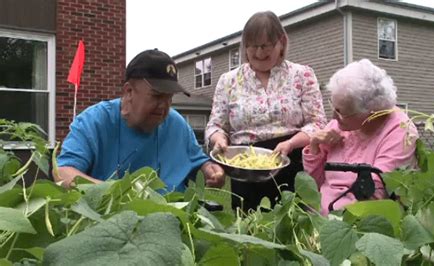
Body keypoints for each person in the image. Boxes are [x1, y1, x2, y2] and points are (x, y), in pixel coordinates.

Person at [205, 11, 327, 211]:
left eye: (265, 46)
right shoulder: (229, 80)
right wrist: (219, 140)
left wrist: (290, 143)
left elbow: (318, 123)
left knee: (292, 226)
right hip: (244, 168)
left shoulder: (302, 75)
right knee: (249, 230)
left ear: (281, 42)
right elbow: (215, 125)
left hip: (291, 161)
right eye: (252, 46)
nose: (259, 52)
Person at [55, 49, 225, 192]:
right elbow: (62, 172)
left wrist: (210, 170)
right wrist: (119, 193)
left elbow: (199, 162)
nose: (164, 105)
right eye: (157, 96)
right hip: (110, 222)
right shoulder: (94, 122)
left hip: (171, 223)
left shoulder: (177, 124)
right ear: (129, 91)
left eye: (169, 98)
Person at [303, 59, 419, 216]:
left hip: (354, 223)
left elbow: (373, 195)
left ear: (370, 114)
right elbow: (312, 186)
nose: (333, 117)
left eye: (341, 112)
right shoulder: (341, 125)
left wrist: (330, 222)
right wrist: (315, 146)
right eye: (333, 107)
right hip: (317, 216)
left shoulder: (399, 130)